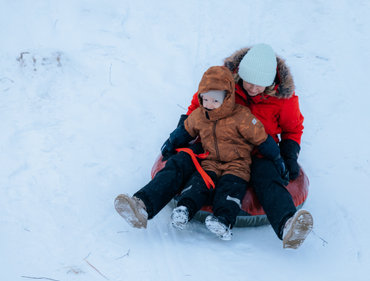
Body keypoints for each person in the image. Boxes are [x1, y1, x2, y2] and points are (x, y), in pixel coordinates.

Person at [115, 66, 285, 240]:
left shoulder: (242, 117)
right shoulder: (199, 115)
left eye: (215, 100)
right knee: (197, 185)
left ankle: (223, 221)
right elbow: (186, 130)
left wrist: (277, 158)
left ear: (227, 98)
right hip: (209, 162)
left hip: (237, 165)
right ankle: (143, 207)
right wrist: (171, 142)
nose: (209, 105)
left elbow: (261, 139)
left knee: (230, 189)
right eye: (206, 99)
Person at [185, 44, 313, 249]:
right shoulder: (225, 83)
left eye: (259, 85)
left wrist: (290, 155)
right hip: (222, 144)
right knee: (202, 170)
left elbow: (293, 128)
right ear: (239, 74)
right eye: (249, 82)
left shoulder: (283, 99)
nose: (253, 89)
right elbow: (198, 106)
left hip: (261, 149)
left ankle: (287, 224)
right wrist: (181, 132)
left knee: (268, 177)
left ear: (271, 82)